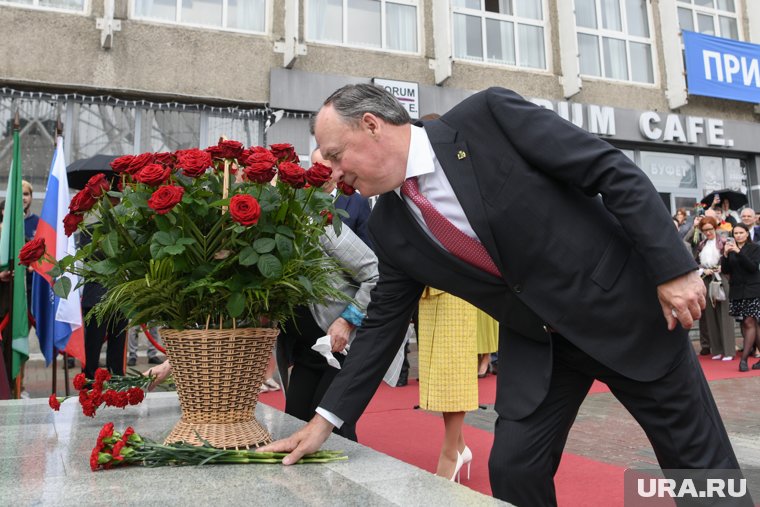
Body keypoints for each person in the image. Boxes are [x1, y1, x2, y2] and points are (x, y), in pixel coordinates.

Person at [257, 84, 748, 505]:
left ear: (371, 125)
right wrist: (325, 420)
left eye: (337, 156)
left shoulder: (488, 118)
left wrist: (672, 268)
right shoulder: (390, 225)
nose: (334, 175)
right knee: (514, 470)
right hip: (541, 346)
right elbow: (384, 322)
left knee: (701, 470)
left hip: (624, 312)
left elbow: (609, 171)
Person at [280, 223, 378, 441]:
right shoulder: (265, 233)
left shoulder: (322, 224)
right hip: (306, 351)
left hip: (341, 349)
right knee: (294, 424)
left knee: (332, 434)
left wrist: (348, 320)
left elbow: (376, 274)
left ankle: (344, 476)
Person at [417, 288, 478, 480]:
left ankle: (450, 454)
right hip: (428, 284)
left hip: (456, 285)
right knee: (441, 376)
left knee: (454, 368)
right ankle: (459, 446)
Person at [311, 148, 373, 248]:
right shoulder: (302, 200)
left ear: (335, 169)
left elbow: (368, 247)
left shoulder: (357, 202)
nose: (321, 174)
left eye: (326, 169)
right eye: (317, 168)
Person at [721, 223, 760, 372]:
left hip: (752, 289)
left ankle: (743, 360)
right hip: (737, 290)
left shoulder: (754, 248)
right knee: (748, 324)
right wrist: (724, 255)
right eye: (735, 233)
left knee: (750, 321)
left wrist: (739, 252)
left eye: (741, 233)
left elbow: (752, 267)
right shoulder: (730, 249)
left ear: (747, 233)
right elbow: (726, 270)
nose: (738, 235)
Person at [695, 217, 735, 361]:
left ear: (715, 228)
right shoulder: (701, 244)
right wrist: (703, 271)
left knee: (725, 314)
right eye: (705, 230)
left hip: (722, 278)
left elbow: (732, 261)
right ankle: (716, 349)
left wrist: (721, 267)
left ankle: (729, 350)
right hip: (707, 279)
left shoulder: (724, 242)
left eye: (710, 229)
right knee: (710, 315)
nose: (708, 232)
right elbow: (696, 263)